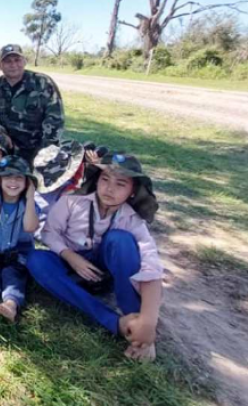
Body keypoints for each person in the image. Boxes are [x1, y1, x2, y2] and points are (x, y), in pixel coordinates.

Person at [27, 153, 164, 361]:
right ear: (96, 179)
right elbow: (49, 233)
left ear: (133, 191)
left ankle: (134, 324)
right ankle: (115, 323)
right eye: (105, 179)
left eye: (120, 184)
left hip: (104, 271)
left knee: (121, 240)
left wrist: (148, 322)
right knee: (36, 260)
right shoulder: (72, 201)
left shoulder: (133, 219)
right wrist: (71, 257)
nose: (109, 189)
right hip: (70, 264)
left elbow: (151, 265)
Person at [0, 156, 42, 323]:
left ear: (27, 183)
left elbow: (30, 227)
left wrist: (31, 198)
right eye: (7, 177)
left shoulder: (29, 203)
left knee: (14, 275)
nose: (13, 182)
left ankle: (11, 304)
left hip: (16, 253)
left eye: (19, 177)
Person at [0, 44, 65, 164]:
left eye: (17, 60)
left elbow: (55, 119)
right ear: (0, 66)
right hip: (6, 149)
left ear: (24, 61)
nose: (13, 65)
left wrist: (46, 152)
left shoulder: (42, 83)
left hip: (39, 149)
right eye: (7, 61)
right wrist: (0, 133)